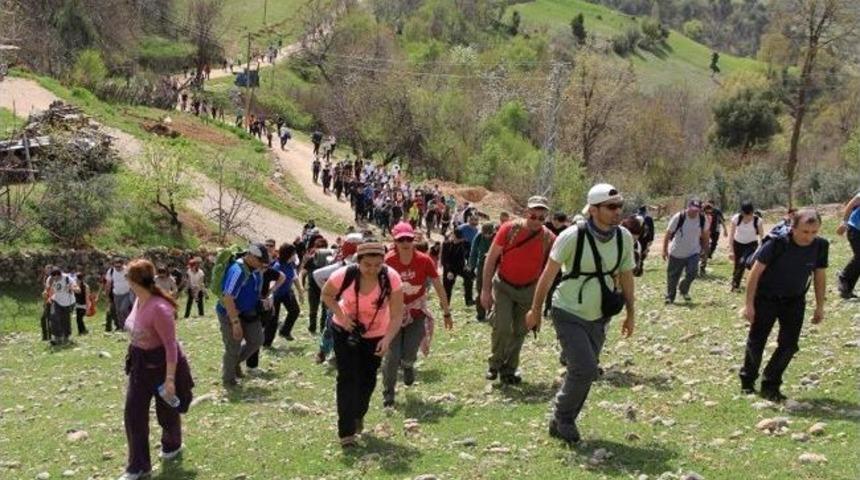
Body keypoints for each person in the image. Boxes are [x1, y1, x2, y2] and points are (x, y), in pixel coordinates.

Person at [525, 183, 635, 444]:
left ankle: (562, 418)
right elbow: (548, 275)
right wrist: (536, 310)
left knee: (586, 371)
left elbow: (627, 277)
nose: (617, 211)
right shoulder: (572, 236)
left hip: (600, 315)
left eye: (619, 206)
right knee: (584, 368)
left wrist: (631, 313)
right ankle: (564, 416)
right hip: (568, 310)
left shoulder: (624, 238)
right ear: (594, 210)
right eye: (611, 207)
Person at [320, 242, 404, 447]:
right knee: (347, 378)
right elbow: (326, 295)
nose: (373, 269)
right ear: (358, 262)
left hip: (377, 334)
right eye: (367, 265)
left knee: (367, 380)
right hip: (344, 329)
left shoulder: (391, 278)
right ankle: (346, 432)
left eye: (378, 264)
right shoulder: (344, 275)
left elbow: (397, 314)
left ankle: (358, 414)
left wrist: (387, 339)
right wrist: (342, 316)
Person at [740, 209, 828, 402]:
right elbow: (754, 273)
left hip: (794, 300)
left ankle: (771, 384)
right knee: (757, 341)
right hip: (766, 298)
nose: (809, 237)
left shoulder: (820, 246)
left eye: (814, 232)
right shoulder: (777, 243)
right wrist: (749, 305)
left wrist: (820, 306)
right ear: (793, 228)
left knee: (789, 345)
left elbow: (819, 276)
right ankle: (747, 380)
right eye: (805, 232)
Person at [120, 259, 194, 480]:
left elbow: (171, 345)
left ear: (134, 281)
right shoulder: (138, 300)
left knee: (167, 412)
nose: (125, 280)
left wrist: (170, 379)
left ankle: (172, 445)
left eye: (127, 277)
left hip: (161, 366)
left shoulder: (160, 308)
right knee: (133, 414)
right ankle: (138, 466)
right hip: (140, 365)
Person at [480, 196, 556, 384]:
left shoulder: (549, 238)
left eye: (541, 218)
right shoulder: (509, 229)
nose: (537, 221)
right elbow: (491, 259)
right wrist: (485, 289)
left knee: (521, 330)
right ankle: (495, 364)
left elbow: (550, 271)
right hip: (504, 285)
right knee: (503, 326)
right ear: (525, 213)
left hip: (529, 289)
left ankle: (509, 369)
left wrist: (539, 304)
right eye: (533, 216)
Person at [382, 222, 452, 408]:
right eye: (401, 239)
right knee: (392, 354)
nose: (405, 242)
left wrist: (446, 312)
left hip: (417, 311)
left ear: (414, 239)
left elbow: (438, 286)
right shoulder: (387, 261)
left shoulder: (424, 260)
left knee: (410, 350)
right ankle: (388, 393)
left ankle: (408, 365)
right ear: (394, 240)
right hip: (393, 314)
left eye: (409, 239)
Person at [216, 243, 270, 387]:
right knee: (233, 345)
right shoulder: (238, 270)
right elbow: (228, 298)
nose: (261, 265)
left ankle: (234, 363)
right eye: (260, 261)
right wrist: (235, 323)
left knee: (257, 339)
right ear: (251, 256)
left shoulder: (255, 270)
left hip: (249, 312)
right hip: (230, 312)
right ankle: (228, 380)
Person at [662, 200, 709, 304]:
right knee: (673, 276)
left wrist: (705, 250)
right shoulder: (679, 217)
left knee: (692, 273)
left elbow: (705, 235)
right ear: (688, 207)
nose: (694, 213)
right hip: (676, 252)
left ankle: (683, 289)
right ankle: (670, 296)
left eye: (696, 210)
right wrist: (664, 250)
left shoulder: (702, 218)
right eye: (692, 210)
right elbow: (668, 233)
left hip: (693, 252)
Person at [728, 202, 764, 291]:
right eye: (746, 214)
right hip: (738, 243)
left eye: (750, 213)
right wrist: (731, 251)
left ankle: (757, 283)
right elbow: (731, 236)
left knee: (744, 262)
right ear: (742, 212)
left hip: (751, 244)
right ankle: (735, 284)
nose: (748, 216)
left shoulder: (758, 221)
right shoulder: (736, 219)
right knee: (737, 264)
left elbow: (762, 237)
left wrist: (761, 249)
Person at [273, 244, 303, 341]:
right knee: (273, 319)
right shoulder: (277, 266)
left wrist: (300, 291)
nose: (296, 255)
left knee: (295, 311)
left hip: (287, 292)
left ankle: (284, 331)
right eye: (294, 253)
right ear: (289, 254)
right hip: (275, 295)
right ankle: (267, 342)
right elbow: (271, 283)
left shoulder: (291, 264)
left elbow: (294, 277)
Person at [45, 268, 80, 345]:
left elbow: (77, 289)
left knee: (65, 320)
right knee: (54, 317)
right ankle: (57, 337)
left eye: (57, 278)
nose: (55, 279)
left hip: (68, 302)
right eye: (54, 278)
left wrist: (72, 288)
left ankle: (66, 336)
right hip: (56, 301)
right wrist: (47, 295)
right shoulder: (50, 279)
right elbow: (48, 289)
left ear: (59, 275)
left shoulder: (67, 278)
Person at [469, 223, 495, 322]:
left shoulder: (497, 237)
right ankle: (480, 314)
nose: (487, 236)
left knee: (493, 289)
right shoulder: (479, 237)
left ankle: (490, 312)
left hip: (494, 266)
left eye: (489, 234)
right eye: (485, 234)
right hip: (482, 265)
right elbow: (473, 252)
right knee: (480, 289)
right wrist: (472, 266)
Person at [836, 192, 860, 299]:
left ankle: (847, 290)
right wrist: (844, 222)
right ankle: (843, 277)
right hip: (855, 228)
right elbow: (852, 203)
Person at [441, 228, 472, 305]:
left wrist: (468, 265)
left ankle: (468, 300)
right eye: (456, 238)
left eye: (460, 239)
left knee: (469, 278)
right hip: (449, 268)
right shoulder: (446, 244)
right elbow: (444, 260)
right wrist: (448, 271)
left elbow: (469, 255)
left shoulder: (465, 244)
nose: (458, 240)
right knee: (447, 286)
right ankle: (445, 303)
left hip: (460, 267)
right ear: (453, 236)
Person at [106, 258, 134, 331]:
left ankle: (129, 325)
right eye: (116, 267)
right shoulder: (111, 271)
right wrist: (108, 295)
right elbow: (108, 283)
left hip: (127, 293)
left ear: (122, 265)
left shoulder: (127, 270)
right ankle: (122, 327)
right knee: (118, 312)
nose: (117, 268)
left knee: (123, 309)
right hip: (116, 294)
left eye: (119, 267)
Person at [633, 206, 655, 277]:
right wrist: (650, 241)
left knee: (635, 253)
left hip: (635, 239)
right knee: (642, 254)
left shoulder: (633, 217)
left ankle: (636, 269)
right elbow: (651, 231)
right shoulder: (648, 218)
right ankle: (638, 270)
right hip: (644, 240)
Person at [73, 270, 89, 336]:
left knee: (79, 318)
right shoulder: (75, 286)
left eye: (76, 279)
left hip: (83, 304)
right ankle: (82, 330)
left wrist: (87, 307)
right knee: (78, 319)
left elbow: (87, 297)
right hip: (77, 304)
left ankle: (82, 331)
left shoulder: (85, 286)